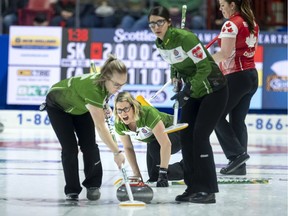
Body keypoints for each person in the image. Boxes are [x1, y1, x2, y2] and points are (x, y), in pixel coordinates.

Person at [148, 6, 228, 204]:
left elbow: (204, 67)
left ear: (168, 22)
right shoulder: (160, 43)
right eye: (152, 24)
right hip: (194, 92)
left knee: (199, 137)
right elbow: (175, 64)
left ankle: (208, 190)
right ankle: (193, 187)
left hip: (213, 90)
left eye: (159, 22)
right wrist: (176, 80)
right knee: (185, 136)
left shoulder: (186, 38)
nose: (156, 27)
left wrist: (188, 89)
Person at [43, 54, 127, 201]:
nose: (119, 89)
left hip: (80, 107)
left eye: (123, 85)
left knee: (89, 146)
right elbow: (101, 128)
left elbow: (101, 98)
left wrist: (103, 105)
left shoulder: (105, 84)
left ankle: (93, 184)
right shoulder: (93, 90)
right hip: (58, 107)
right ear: (106, 77)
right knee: (70, 149)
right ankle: (72, 190)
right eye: (117, 85)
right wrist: (116, 152)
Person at [212, 0, 259, 175]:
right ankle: (240, 166)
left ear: (233, 5)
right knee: (237, 120)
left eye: (223, 5)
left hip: (237, 76)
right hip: (252, 76)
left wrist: (203, 63)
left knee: (215, 115)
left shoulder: (231, 25)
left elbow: (224, 54)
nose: (220, 8)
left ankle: (237, 155)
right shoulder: (252, 21)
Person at [113, 91, 184, 187]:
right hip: (153, 141)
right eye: (119, 110)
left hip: (178, 132)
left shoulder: (148, 114)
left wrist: (163, 173)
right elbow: (128, 148)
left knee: (155, 150)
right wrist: (137, 174)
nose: (123, 114)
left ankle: (189, 168)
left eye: (126, 109)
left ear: (133, 107)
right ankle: (168, 171)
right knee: (154, 176)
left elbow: (165, 144)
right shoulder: (119, 123)